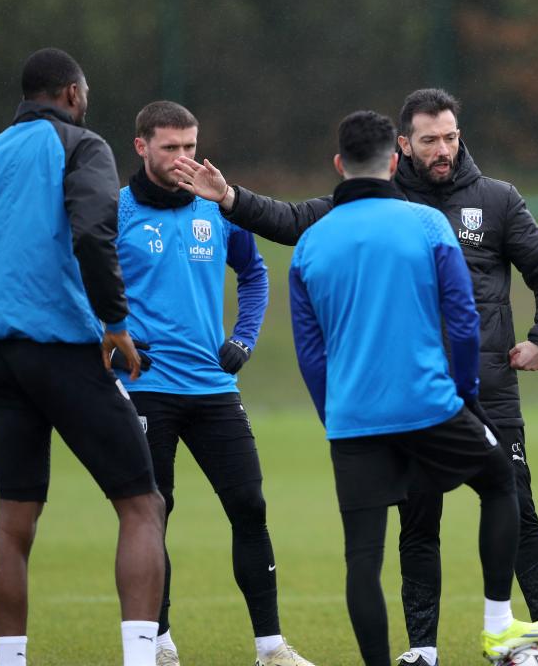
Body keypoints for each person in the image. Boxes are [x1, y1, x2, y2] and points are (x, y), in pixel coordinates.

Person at [171, 88, 538, 666]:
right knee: (418, 524)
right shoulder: (380, 209)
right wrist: (231, 198)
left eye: (452, 136)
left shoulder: (498, 200)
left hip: (484, 390)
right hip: (422, 397)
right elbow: (288, 219)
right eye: (430, 139)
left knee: (518, 506)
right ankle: (423, 649)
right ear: (401, 148)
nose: (443, 149)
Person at [288, 108, 538, 665]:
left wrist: (332, 414)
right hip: (431, 406)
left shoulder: (313, 242)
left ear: (339, 165)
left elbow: (310, 351)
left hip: (353, 419)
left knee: (363, 556)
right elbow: (461, 321)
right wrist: (466, 397)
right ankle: (498, 624)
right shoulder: (427, 224)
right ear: (395, 159)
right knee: (501, 481)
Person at [0, 47, 165, 666]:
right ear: (72, 94)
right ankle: (139, 658)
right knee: (141, 504)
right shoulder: (81, 146)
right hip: (65, 351)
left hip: (0, 361)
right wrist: (117, 322)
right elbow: (94, 228)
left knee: (14, 519)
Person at [113, 101, 315, 666]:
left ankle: (271, 648)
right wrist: (115, 336)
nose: (184, 159)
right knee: (152, 514)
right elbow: (85, 285)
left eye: (190, 147)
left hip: (214, 388)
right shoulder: (117, 211)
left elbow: (253, 274)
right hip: (145, 386)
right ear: (141, 147)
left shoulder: (217, 203)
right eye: (170, 147)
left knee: (249, 505)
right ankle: (158, 641)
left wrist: (244, 338)